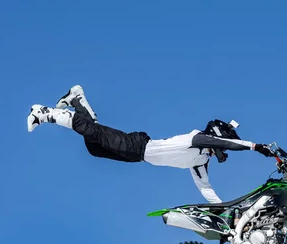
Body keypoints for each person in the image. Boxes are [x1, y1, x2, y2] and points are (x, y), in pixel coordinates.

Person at [27, 85, 274, 203]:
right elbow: (225, 143)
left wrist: (224, 211)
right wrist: (256, 147)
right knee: (91, 132)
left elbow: (205, 187)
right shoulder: (196, 138)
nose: (219, 151)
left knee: (94, 146)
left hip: (137, 157)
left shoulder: (201, 160)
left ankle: (78, 100)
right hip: (139, 145)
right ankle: (44, 112)